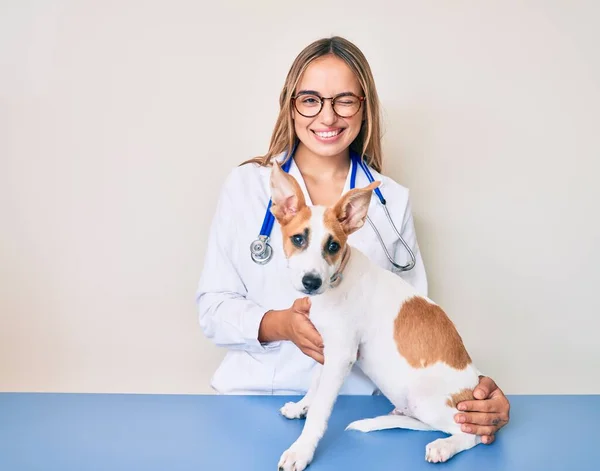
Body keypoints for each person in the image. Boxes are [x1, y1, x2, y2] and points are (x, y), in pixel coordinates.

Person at [195, 36, 509, 444]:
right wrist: (281, 325)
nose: (327, 117)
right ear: (290, 104)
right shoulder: (247, 188)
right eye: (310, 99)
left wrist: (466, 393)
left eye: (344, 100)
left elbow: (407, 323)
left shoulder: (389, 201)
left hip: (356, 407)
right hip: (254, 396)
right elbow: (212, 308)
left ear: (365, 108)